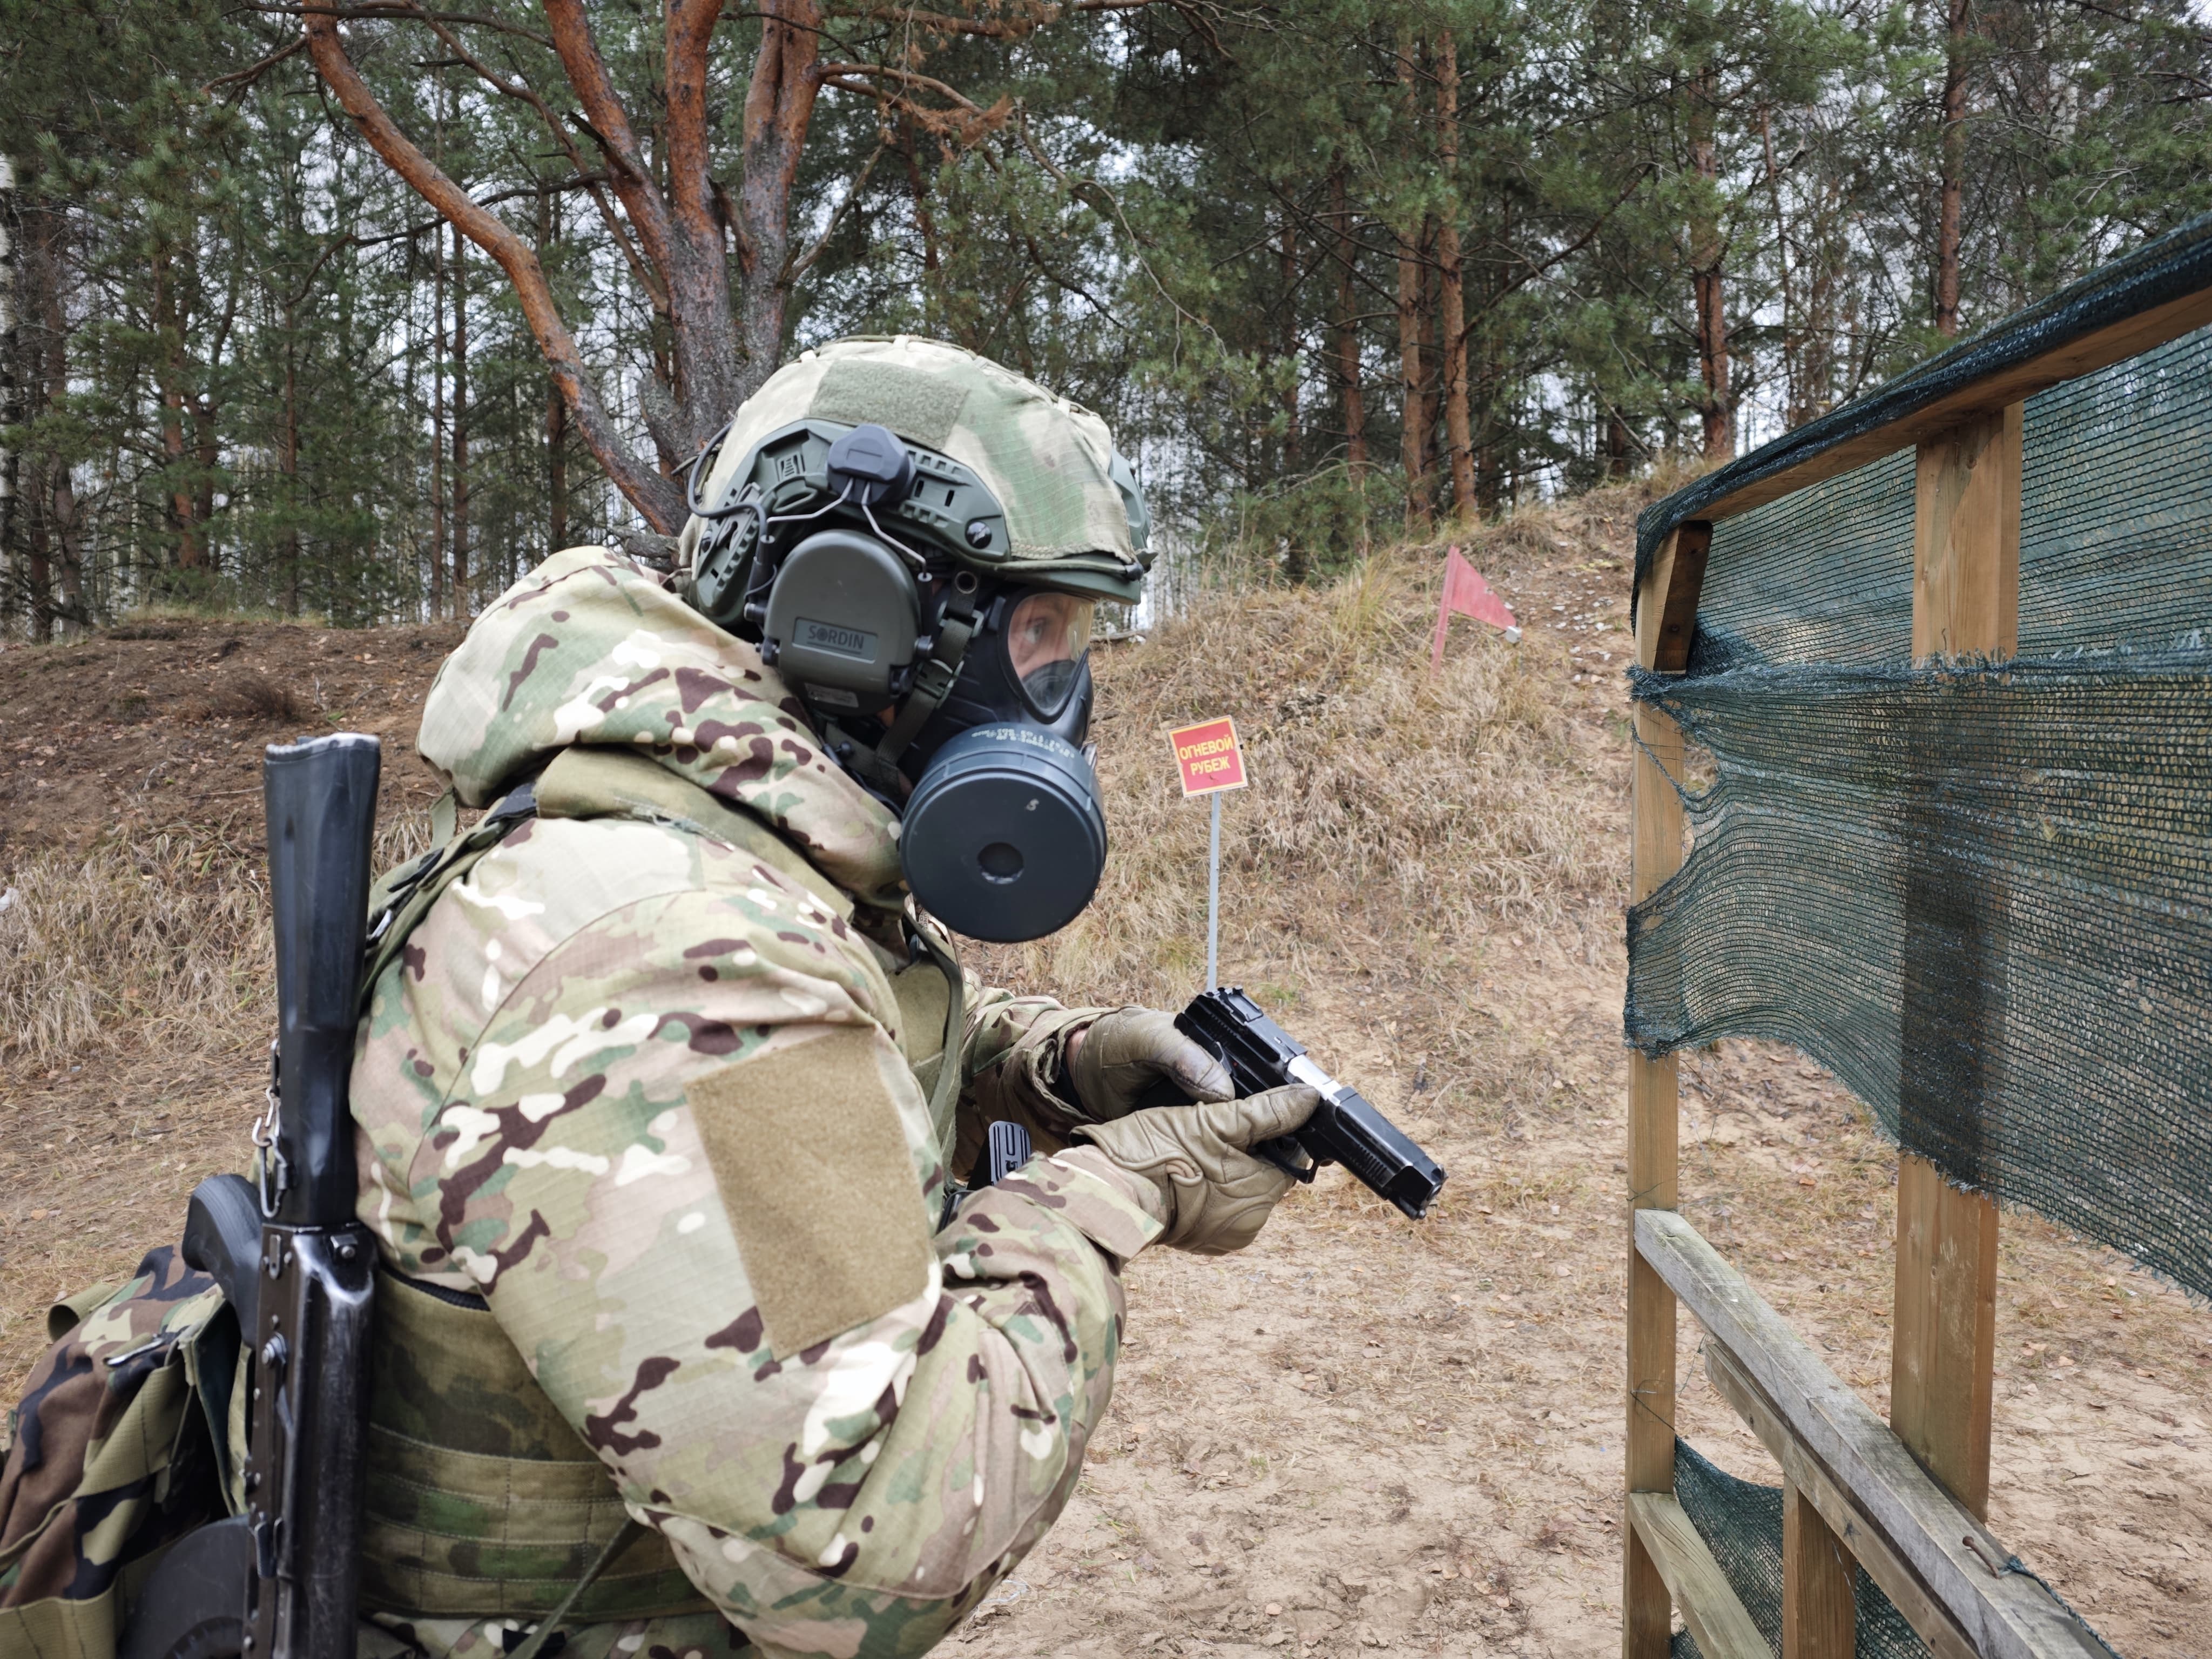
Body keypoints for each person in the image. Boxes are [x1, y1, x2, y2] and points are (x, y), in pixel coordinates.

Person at [344, 338, 1319, 1659]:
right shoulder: (679, 960)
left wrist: (1052, 1071)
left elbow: (812, 1091)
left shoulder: (691, 848)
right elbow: (880, 1539)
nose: (1063, 700)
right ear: (854, 619)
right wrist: (1114, 1191)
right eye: (1041, 637)